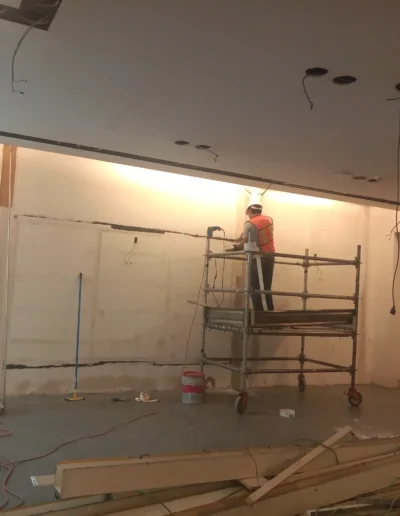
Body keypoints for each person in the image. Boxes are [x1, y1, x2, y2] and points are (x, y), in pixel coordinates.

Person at [232, 203, 275, 311]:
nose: (248, 216)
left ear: (250, 211)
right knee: (266, 287)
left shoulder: (249, 223)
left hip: (257, 257)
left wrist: (236, 246)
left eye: (248, 213)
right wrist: (241, 237)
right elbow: (256, 233)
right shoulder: (268, 220)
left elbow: (245, 241)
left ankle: (259, 313)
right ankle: (270, 313)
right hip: (270, 256)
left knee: (254, 287)